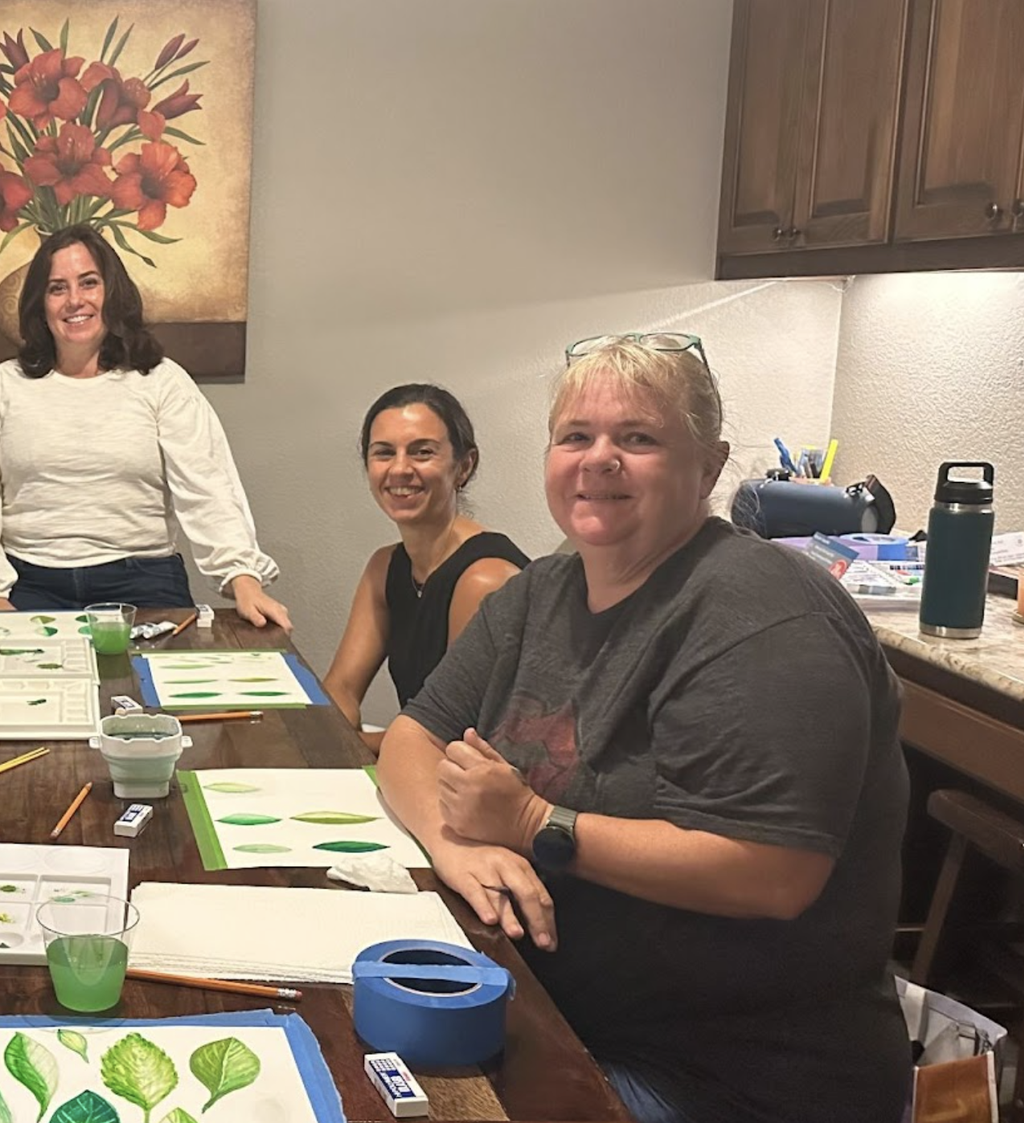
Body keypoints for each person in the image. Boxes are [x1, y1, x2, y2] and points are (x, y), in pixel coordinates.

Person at [376, 333, 909, 1123]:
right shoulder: (539, 592)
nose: (599, 460)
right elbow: (410, 739)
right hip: (549, 1017)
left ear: (710, 465)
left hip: (726, 1078)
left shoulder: (759, 610)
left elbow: (772, 871)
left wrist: (531, 821)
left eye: (639, 438)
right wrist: (455, 846)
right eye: (576, 437)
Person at [0, 224, 289, 627]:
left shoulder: (163, 382)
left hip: (145, 582)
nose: (74, 301)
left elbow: (209, 489)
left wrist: (243, 579)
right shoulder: (0, 387)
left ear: (112, 293)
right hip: (28, 586)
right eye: (56, 288)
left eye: (88, 283)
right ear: (40, 304)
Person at [322, 384, 528, 749]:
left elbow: (455, 733)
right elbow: (341, 689)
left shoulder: (486, 577)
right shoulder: (385, 566)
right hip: (418, 761)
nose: (400, 469)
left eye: (422, 452)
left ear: (464, 466)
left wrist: (349, 742)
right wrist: (330, 737)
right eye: (384, 453)